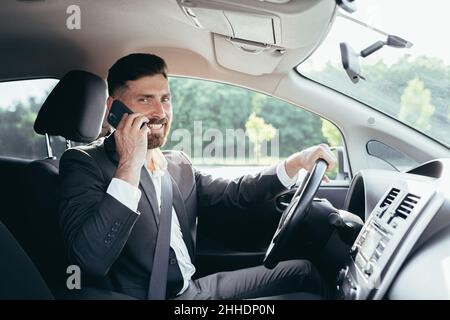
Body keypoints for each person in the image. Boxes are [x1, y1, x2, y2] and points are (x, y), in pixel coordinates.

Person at [59, 53, 337, 300]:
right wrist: (131, 162)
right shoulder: (84, 164)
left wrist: (296, 162)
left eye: (165, 99)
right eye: (145, 99)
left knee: (305, 272)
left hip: (192, 290)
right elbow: (90, 260)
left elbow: (235, 193)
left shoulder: (177, 164)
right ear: (114, 107)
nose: (160, 112)